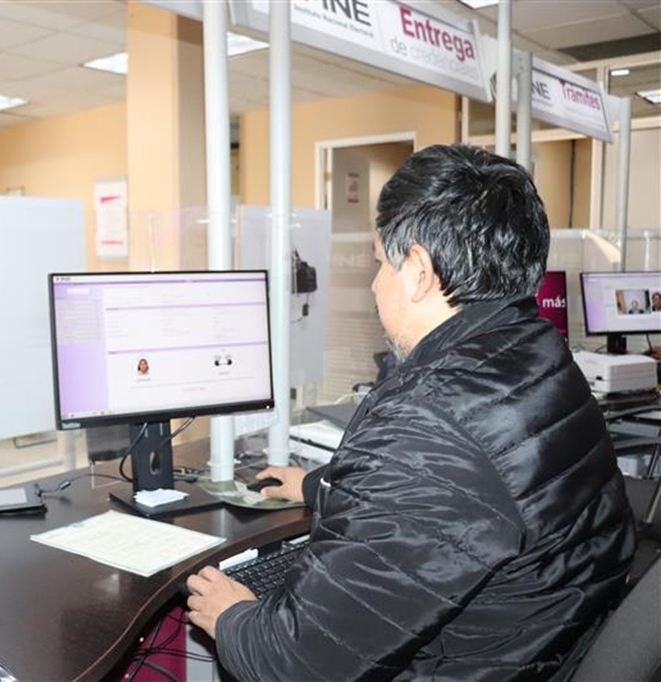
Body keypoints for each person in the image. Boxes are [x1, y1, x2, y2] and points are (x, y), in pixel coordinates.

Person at [186, 145, 635, 680]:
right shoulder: (536, 354)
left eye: (380, 263)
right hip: (548, 642)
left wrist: (232, 616)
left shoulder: (426, 425)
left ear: (418, 271)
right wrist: (319, 487)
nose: (375, 284)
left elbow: (296, 666)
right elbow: (483, 485)